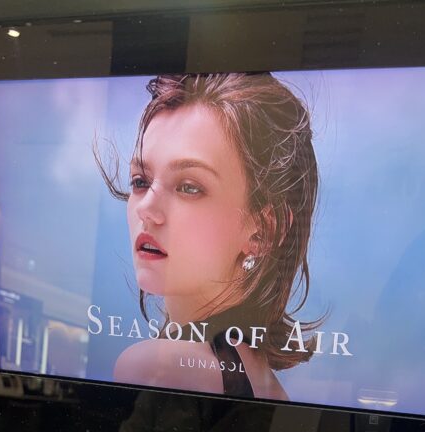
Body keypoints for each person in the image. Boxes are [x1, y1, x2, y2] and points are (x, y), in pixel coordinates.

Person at [98, 73, 321, 400]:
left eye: (189, 187)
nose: (146, 209)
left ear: (263, 229)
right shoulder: (265, 383)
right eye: (140, 181)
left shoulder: (156, 368)